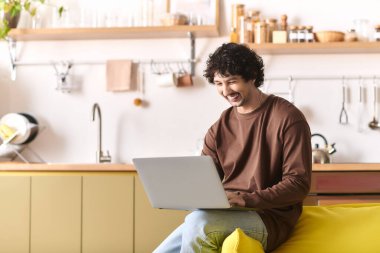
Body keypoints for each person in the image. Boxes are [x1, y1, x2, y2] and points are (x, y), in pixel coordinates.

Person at [154, 43, 312, 253]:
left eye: (232, 82)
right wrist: (183, 193)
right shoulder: (220, 127)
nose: (226, 91)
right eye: (219, 83)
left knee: (198, 223)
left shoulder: (288, 118)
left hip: (268, 217)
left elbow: (298, 184)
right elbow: (203, 180)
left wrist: (246, 199)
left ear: (252, 76)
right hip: (226, 214)